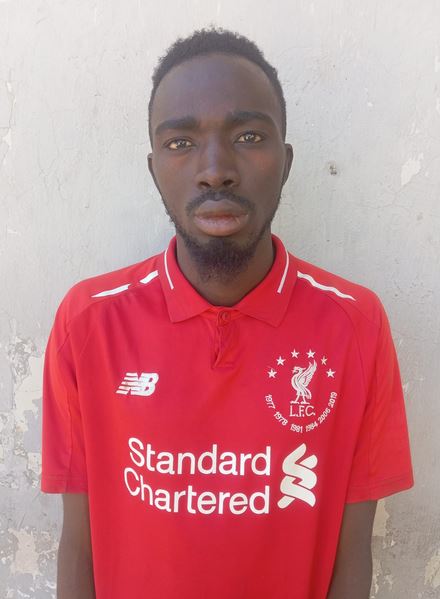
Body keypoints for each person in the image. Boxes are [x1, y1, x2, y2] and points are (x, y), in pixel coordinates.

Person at [41, 28, 414, 599]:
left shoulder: (355, 325)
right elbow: (78, 547)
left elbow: (352, 551)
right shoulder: (89, 322)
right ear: (153, 169)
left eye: (248, 136)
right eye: (180, 142)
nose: (215, 170)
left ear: (286, 163)